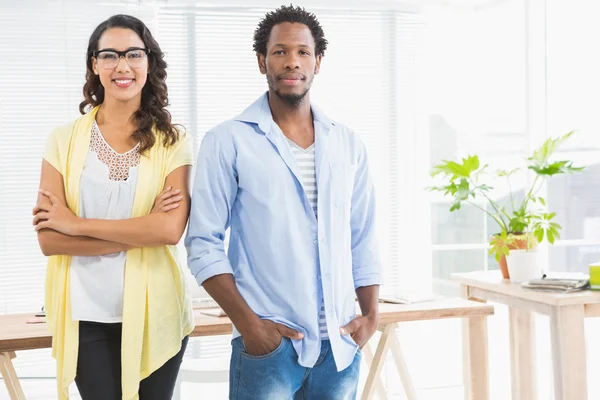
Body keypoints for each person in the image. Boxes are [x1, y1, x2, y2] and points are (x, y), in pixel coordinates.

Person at [185, 5, 382, 399]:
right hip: (269, 349)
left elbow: (362, 236)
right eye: (279, 52)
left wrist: (371, 317)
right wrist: (250, 327)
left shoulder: (347, 143)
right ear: (262, 61)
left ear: (318, 61)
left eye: (303, 52)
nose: (292, 61)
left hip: (341, 350)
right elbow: (202, 243)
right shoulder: (228, 141)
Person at [33, 14, 193, 400]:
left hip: (159, 311)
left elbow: (169, 231)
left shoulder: (173, 141)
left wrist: (76, 223)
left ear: (149, 62)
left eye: (134, 54)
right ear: (94, 64)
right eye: (110, 55)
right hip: (84, 314)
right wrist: (139, 230)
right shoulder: (63, 140)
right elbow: (50, 241)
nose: (122, 66)